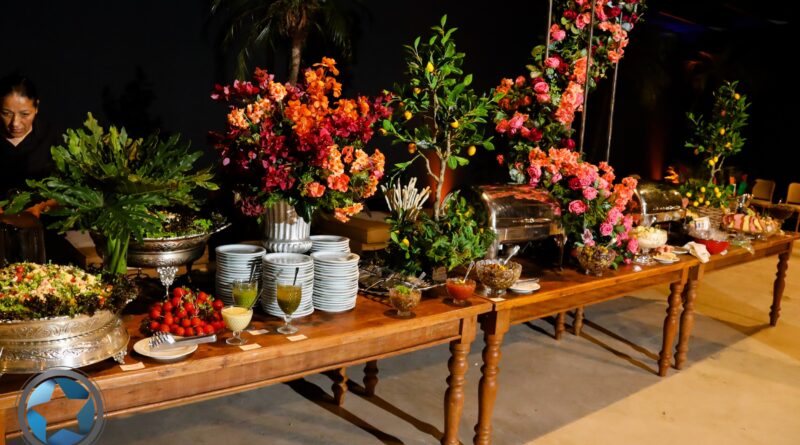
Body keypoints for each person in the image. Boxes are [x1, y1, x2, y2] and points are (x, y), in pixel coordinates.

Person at [0, 73, 59, 200]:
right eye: (6, 113)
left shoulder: (51, 136)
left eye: (25, 114)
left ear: (36, 107)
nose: (15, 123)